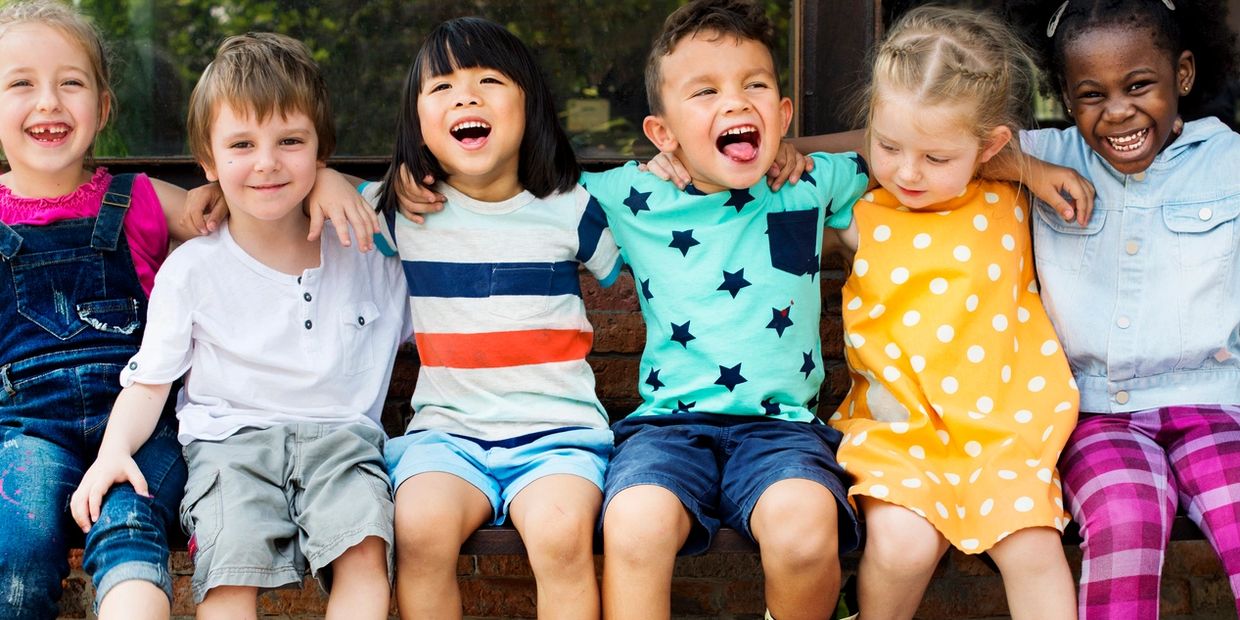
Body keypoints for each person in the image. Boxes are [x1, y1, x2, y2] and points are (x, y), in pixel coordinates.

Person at [69, 32, 410, 620]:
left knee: (365, 555)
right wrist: (113, 452)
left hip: (344, 443)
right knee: (229, 573)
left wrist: (340, 183)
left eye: (291, 141)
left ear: (320, 149)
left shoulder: (367, 248)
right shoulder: (194, 268)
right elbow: (150, 383)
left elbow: (443, 204)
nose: (267, 162)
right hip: (228, 446)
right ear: (209, 161)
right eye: (242, 144)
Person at [817, 7, 1080, 619]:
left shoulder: (1014, 195)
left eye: (936, 158)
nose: (907, 172)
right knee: (904, 545)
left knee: (1036, 549)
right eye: (888, 147)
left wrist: (1027, 168)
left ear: (989, 147)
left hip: (1005, 433)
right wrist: (782, 151)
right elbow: (785, 167)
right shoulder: (861, 217)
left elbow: (1026, 153)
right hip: (901, 432)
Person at [366, 17, 620, 620]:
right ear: (417, 122)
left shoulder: (571, 207)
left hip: (558, 434)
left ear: (529, 106)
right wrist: (347, 179)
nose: (466, 96)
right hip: (448, 436)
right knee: (419, 532)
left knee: (561, 539)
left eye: (489, 80)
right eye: (442, 87)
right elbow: (309, 192)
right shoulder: (400, 213)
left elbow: (625, 260)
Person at [1007, 0, 1240, 617]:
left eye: (1139, 85)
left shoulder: (1230, 162)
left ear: (1182, 75)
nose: (1117, 111)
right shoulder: (1044, 153)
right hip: (1096, 413)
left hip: (1215, 405)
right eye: (1091, 94)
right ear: (1064, 95)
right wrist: (1022, 166)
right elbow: (923, 140)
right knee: (1124, 518)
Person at [0, 1, 213, 616]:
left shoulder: (141, 201)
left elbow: (249, 206)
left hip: (144, 429)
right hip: (28, 435)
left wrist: (330, 183)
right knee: (14, 541)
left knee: (129, 520)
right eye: (21, 84)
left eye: (71, 82)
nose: (48, 102)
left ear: (105, 107)